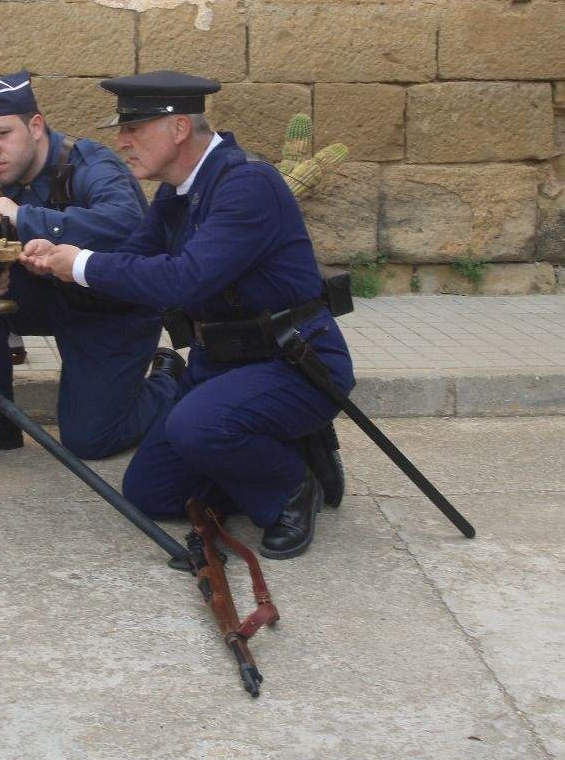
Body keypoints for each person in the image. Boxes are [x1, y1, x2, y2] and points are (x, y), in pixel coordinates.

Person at [18, 71, 351, 559]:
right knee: (151, 493)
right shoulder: (176, 195)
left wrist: (83, 264)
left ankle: (291, 487)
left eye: (134, 129)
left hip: (292, 363)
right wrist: (58, 264)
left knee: (197, 427)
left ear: (178, 128)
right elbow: (130, 267)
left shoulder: (248, 185)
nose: (121, 141)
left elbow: (185, 279)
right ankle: (275, 447)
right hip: (220, 366)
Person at [0, 71, 182, 462]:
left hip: (109, 309)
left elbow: (127, 224)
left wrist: (25, 217)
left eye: (2, 134)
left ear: (36, 127)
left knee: (90, 440)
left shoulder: (90, 164)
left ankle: (169, 381)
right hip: (45, 300)